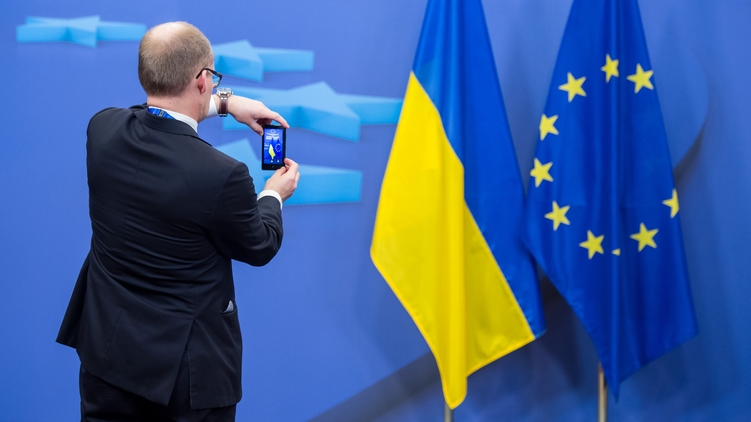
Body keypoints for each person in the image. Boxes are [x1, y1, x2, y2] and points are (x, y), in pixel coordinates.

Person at [56, 21, 299, 421]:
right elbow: (260, 245)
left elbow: (150, 113)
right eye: (213, 79)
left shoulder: (102, 129)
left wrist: (224, 103)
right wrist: (273, 194)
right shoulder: (222, 174)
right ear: (202, 80)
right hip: (185, 383)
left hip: (107, 358)